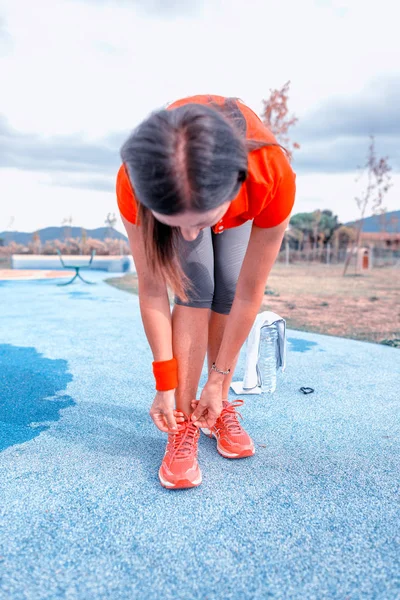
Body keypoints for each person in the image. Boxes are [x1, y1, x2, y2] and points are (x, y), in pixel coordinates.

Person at [116, 94, 296, 489]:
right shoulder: (135, 178)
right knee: (196, 284)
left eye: (201, 221)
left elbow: (250, 292)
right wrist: (164, 384)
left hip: (240, 191)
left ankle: (218, 402)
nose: (189, 235)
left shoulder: (271, 173)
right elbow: (151, 289)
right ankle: (182, 419)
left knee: (228, 286)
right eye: (174, 224)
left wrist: (218, 380)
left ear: (236, 185)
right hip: (184, 190)